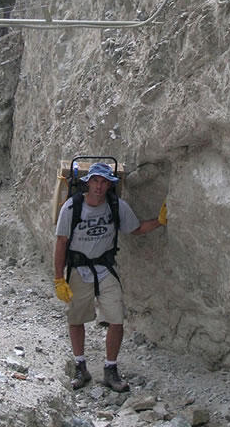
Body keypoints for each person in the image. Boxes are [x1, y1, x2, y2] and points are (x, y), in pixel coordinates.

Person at [54, 161, 167, 392]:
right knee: (76, 319)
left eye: (103, 182)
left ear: (109, 185)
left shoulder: (117, 206)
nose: (99, 186)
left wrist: (159, 221)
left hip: (105, 269)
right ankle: (80, 366)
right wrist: (59, 278)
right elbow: (61, 242)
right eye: (95, 180)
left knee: (116, 319)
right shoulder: (71, 207)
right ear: (88, 182)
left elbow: (135, 228)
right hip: (78, 269)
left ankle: (110, 369)